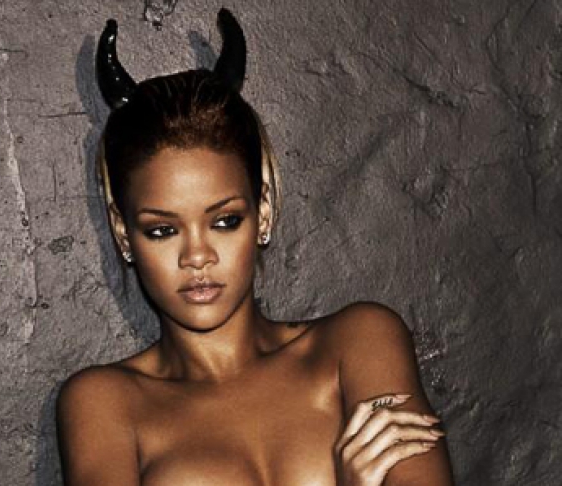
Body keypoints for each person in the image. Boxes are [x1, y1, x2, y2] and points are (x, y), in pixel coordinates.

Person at [57, 8, 455, 486]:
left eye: (225, 221)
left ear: (262, 212)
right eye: (162, 230)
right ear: (124, 233)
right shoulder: (104, 404)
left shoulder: (361, 343)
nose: (197, 256)